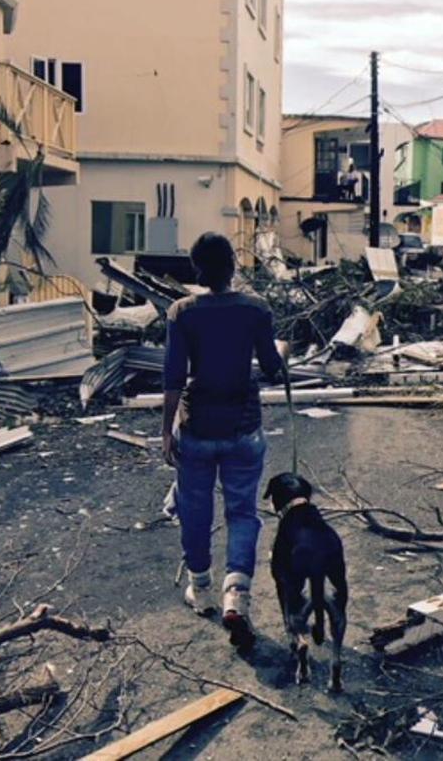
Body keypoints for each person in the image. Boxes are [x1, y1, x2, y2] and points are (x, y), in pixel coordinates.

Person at [162, 232, 283, 649]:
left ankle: (202, 588)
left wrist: (165, 430)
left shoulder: (182, 312)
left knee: (194, 509)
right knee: (243, 513)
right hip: (243, 428)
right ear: (232, 265)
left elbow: (174, 376)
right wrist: (272, 359)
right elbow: (270, 367)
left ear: (197, 270)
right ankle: (238, 595)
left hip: (196, 429)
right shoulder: (256, 309)